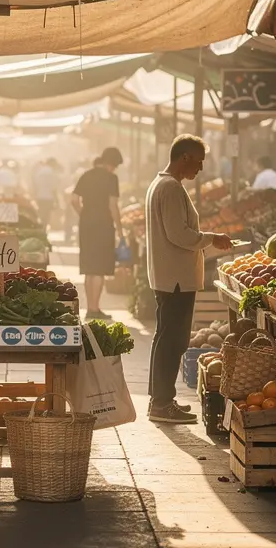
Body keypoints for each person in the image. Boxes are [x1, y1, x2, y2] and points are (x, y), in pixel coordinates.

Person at [145, 135, 233, 424]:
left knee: (167, 337)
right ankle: (161, 404)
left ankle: (161, 400)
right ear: (184, 158)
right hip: (176, 279)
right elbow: (178, 234)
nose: (201, 168)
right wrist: (212, 238)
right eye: (199, 161)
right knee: (172, 340)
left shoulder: (163, 184)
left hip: (170, 276)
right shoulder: (170, 187)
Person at [72, 147, 124, 319]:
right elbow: (113, 206)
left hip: (86, 225)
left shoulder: (86, 175)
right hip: (104, 226)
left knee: (89, 268)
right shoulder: (111, 178)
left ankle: (90, 307)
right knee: (100, 268)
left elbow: (73, 200)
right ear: (112, 163)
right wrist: (120, 229)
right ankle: (95, 308)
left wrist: (84, 215)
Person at [32, 159, 59, 230]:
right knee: (47, 216)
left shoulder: (39, 172)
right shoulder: (52, 172)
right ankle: (44, 231)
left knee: (40, 215)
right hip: (49, 197)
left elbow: (34, 185)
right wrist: (57, 200)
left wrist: (34, 196)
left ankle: (40, 230)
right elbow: (54, 188)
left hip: (39, 197)